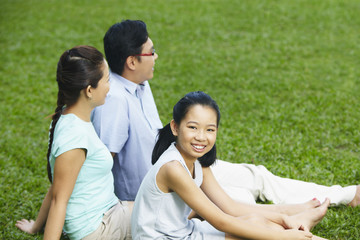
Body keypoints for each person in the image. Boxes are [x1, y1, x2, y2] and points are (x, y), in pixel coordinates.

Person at [91, 19, 360, 206]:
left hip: (184, 167)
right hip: (161, 191)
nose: (156, 57)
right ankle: (294, 218)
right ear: (131, 61)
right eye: (151, 52)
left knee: (257, 176)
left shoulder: (139, 83)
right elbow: (103, 164)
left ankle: (348, 195)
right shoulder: (113, 100)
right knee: (240, 198)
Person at [131, 91, 329, 240]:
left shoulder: (196, 161)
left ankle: (297, 225)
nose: (201, 137)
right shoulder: (172, 167)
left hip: (185, 231)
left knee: (255, 222)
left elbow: (230, 207)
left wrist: (283, 220)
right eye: (192, 127)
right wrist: (283, 236)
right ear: (175, 127)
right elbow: (221, 220)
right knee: (252, 234)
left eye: (210, 129)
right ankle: (301, 230)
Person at [16, 46, 132, 240]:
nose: (109, 87)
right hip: (99, 228)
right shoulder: (75, 137)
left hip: (108, 213)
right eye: (107, 80)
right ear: (89, 90)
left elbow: (57, 185)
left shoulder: (71, 118)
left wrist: (36, 226)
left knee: (168, 205)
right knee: (172, 209)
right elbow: (58, 200)